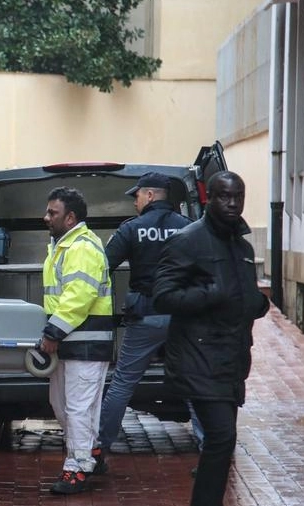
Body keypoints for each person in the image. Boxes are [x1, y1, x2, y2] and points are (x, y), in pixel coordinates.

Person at [152, 171, 269, 506]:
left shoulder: (242, 245)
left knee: (222, 442)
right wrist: (206, 295)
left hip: (232, 358)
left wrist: (256, 303)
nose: (232, 203)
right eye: (224, 196)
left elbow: (241, 293)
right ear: (209, 198)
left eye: (238, 196)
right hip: (198, 357)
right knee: (221, 436)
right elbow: (162, 296)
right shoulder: (188, 240)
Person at [92, 172, 201, 473]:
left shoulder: (132, 229)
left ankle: (99, 449)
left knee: (123, 383)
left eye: (137, 195)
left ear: (150, 196)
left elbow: (103, 267)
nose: (136, 201)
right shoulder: (190, 228)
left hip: (146, 314)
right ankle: (209, 452)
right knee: (194, 383)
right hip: (182, 316)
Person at [37, 187, 113, 494]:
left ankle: (78, 468)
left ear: (71, 218)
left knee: (78, 409)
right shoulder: (63, 245)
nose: (46, 217)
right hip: (73, 342)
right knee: (62, 405)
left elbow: (78, 296)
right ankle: (91, 450)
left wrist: (53, 332)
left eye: (52, 213)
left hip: (84, 343)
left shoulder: (80, 247)